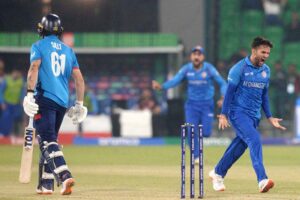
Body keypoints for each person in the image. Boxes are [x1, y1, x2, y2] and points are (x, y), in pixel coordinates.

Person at [209, 37, 286, 193]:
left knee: (240, 145)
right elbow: (229, 93)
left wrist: (270, 116)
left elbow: (264, 95)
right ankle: (262, 180)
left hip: (254, 116)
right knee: (255, 139)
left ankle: (217, 173)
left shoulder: (266, 70)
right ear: (254, 51)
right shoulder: (239, 68)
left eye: (268, 53)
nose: (265, 55)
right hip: (238, 113)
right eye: (263, 52)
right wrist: (223, 114)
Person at [22, 13, 87, 195]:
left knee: (46, 140)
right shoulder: (69, 50)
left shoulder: (38, 46)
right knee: (51, 140)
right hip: (61, 102)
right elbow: (80, 80)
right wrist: (79, 104)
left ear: (41, 29)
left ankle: (65, 176)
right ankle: (46, 184)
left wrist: (28, 94)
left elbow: (34, 68)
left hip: (44, 98)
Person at [152, 45, 227, 163]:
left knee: (206, 133)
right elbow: (175, 80)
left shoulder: (209, 69)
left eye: (199, 54)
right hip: (191, 105)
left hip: (207, 104)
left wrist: (223, 97)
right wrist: (162, 87)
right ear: (191, 56)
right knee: (191, 130)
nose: (196, 57)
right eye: (194, 54)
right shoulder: (186, 69)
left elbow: (223, 83)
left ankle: (198, 151)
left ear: (203, 57)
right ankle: (196, 156)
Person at [0, 68, 25, 136]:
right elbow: (1, 91)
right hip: (7, 103)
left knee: (13, 119)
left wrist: (22, 100)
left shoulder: (21, 81)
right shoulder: (7, 80)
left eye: (17, 73)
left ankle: (9, 134)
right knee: (5, 118)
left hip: (16, 104)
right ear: (12, 73)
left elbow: (22, 92)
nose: (16, 75)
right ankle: (2, 133)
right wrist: (2, 102)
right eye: (15, 73)